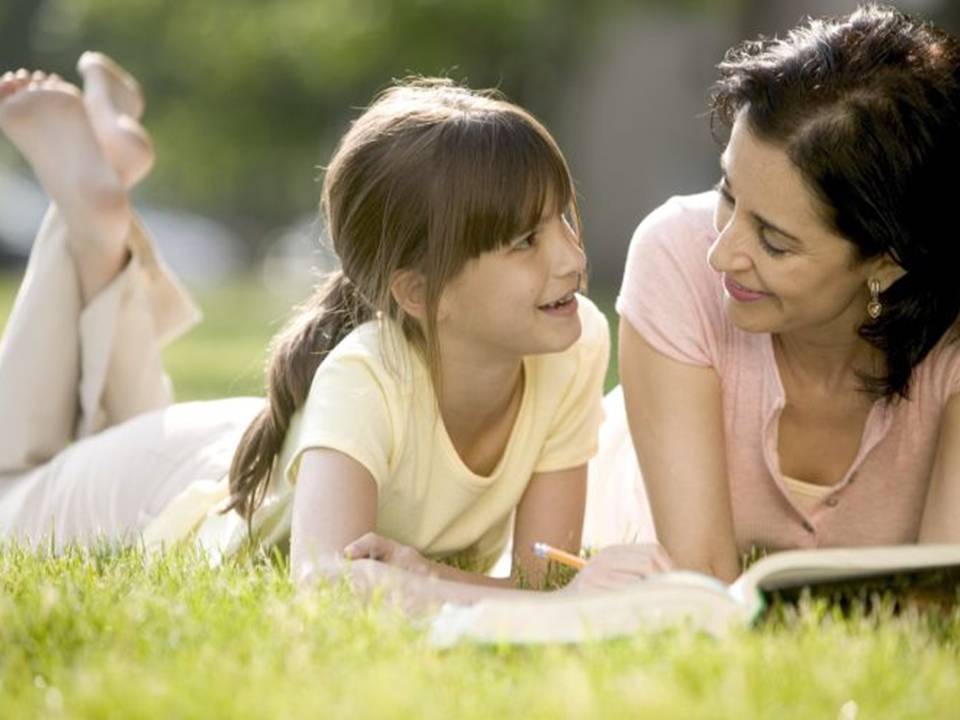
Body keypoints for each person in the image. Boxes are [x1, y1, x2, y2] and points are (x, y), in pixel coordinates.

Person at [0, 56, 668, 607]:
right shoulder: (367, 376)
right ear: (418, 292)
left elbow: (540, 584)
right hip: (173, 489)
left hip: (245, 452)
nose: (572, 259)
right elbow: (326, 584)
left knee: (101, 426)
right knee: (11, 486)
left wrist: (430, 577)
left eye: (564, 219)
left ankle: (100, 206)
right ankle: (94, 219)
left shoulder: (571, 345)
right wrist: (511, 594)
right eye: (525, 241)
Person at [592, 3, 960, 583]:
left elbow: (943, 594)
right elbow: (700, 581)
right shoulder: (676, 255)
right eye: (727, 193)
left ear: (887, 263)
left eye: (774, 242)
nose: (722, 255)